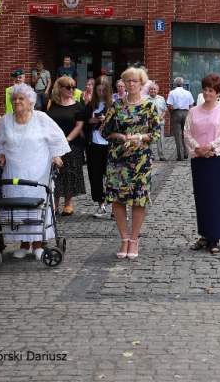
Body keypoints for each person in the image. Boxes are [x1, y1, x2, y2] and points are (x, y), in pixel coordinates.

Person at [0, 84, 69, 259]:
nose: (17, 101)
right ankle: (23, 243)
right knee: (17, 207)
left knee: (36, 207)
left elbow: (58, 138)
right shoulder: (5, 120)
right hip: (13, 171)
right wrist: (2, 155)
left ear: (30, 102)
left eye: (21, 99)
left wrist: (56, 156)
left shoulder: (41, 118)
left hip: (38, 171)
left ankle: (38, 243)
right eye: (14, 99)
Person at [101, 67, 161, 260]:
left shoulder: (149, 107)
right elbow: (104, 131)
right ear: (124, 84)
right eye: (128, 81)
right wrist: (119, 135)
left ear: (142, 84)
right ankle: (124, 239)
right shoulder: (116, 106)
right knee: (118, 200)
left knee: (139, 198)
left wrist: (139, 137)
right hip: (118, 160)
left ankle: (134, 239)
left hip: (140, 160)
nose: (132, 84)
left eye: (135, 81)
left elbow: (156, 134)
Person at [185, 74, 220, 255]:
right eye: (205, 90)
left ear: (219, 93)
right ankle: (204, 235)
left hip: (218, 159)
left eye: (211, 90)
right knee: (202, 198)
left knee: (217, 198)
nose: (207, 93)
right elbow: (187, 133)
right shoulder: (193, 111)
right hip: (199, 159)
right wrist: (199, 149)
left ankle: (216, 236)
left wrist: (210, 147)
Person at [45, 76, 86, 216]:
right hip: (52, 145)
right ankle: (54, 203)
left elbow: (79, 125)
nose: (71, 90)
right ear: (59, 88)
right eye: (68, 87)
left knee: (69, 173)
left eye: (73, 87)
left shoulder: (78, 105)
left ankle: (68, 203)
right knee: (54, 173)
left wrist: (67, 139)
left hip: (71, 144)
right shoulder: (50, 104)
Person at [84, 76, 113, 218]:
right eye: (98, 90)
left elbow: (119, 125)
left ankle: (115, 206)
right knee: (95, 176)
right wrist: (90, 121)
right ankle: (101, 205)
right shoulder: (90, 105)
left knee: (112, 177)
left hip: (110, 146)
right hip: (94, 145)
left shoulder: (113, 105)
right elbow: (83, 124)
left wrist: (105, 120)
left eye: (103, 90)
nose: (101, 93)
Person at [167, 76, 194, 160]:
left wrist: (172, 112)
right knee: (185, 133)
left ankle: (180, 155)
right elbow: (191, 105)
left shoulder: (172, 93)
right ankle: (186, 153)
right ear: (183, 84)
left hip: (176, 112)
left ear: (175, 84)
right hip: (186, 112)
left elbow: (170, 105)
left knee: (178, 134)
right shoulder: (188, 93)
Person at [147, 84, 168, 161]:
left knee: (161, 139)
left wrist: (161, 117)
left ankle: (161, 155)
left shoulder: (161, 98)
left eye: (154, 89)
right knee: (150, 138)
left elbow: (164, 110)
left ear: (157, 91)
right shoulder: (145, 99)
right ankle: (151, 155)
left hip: (160, 122)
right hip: (149, 122)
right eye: (151, 89)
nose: (153, 91)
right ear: (149, 90)